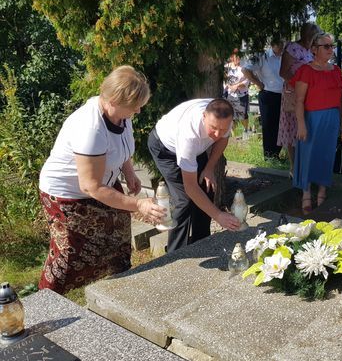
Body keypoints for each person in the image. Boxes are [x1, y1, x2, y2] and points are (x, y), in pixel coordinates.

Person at [38, 66, 166, 294]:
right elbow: (90, 186)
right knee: (69, 254)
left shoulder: (120, 115)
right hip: (67, 194)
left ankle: (119, 289)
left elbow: (120, 146)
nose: (138, 110)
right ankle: (46, 301)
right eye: (135, 105)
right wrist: (138, 205)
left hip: (101, 184)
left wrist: (128, 171)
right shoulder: (90, 128)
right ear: (114, 100)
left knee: (118, 238)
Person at [148, 98, 240, 252]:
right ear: (204, 116)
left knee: (207, 186)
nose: (217, 134)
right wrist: (218, 215)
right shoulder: (188, 135)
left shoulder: (224, 117)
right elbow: (190, 187)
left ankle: (202, 243)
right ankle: (176, 254)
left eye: (223, 129)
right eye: (213, 128)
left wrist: (209, 168)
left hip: (196, 150)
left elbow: (223, 140)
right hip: (165, 148)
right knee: (184, 199)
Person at [292, 32, 342, 214]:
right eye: (326, 46)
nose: (331, 49)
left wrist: (341, 122)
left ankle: (322, 192)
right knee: (308, 155)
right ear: (314, 50)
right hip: (311, 118)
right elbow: (299, 100)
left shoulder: (336, 71)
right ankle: (306, 194)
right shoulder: (306, 71)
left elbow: (339, 100)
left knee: (326, 155)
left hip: (332, 118)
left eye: (332, 46)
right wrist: (301, 124)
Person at [278, 22, 321, 176]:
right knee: (292, 129)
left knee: (306, 127)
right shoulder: (292, 48)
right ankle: (294, 167)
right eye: (313, 36)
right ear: (307, 35)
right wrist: (298, 85)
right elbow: (283, 72)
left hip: (310, 95)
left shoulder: (312, 50)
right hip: (294, 94)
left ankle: (306, 165)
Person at [242, 38, 284, 159]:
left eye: (283, 43)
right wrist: (257, 83)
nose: (281, 46)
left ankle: (276, 153)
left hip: (282, 94)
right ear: (272, 44)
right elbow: (245, 69)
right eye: (279, 44)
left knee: (279, 125)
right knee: (269, 126)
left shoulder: (283, 56)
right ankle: (269, 155)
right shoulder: (262, 56)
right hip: (268, 94)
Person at [223, 48, 250, 133]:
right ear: (231, 57)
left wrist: (237, 85)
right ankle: (233, 133)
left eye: (239, 57)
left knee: (243, 114)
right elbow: (224, 79)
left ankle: (246, 130)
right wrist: (229, 86)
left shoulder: (244, 67)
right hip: (230, 94)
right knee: (231, 114)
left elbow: (247, 80)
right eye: (235, 57)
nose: (237, 59)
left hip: (241, 94)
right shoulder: (226, 67)